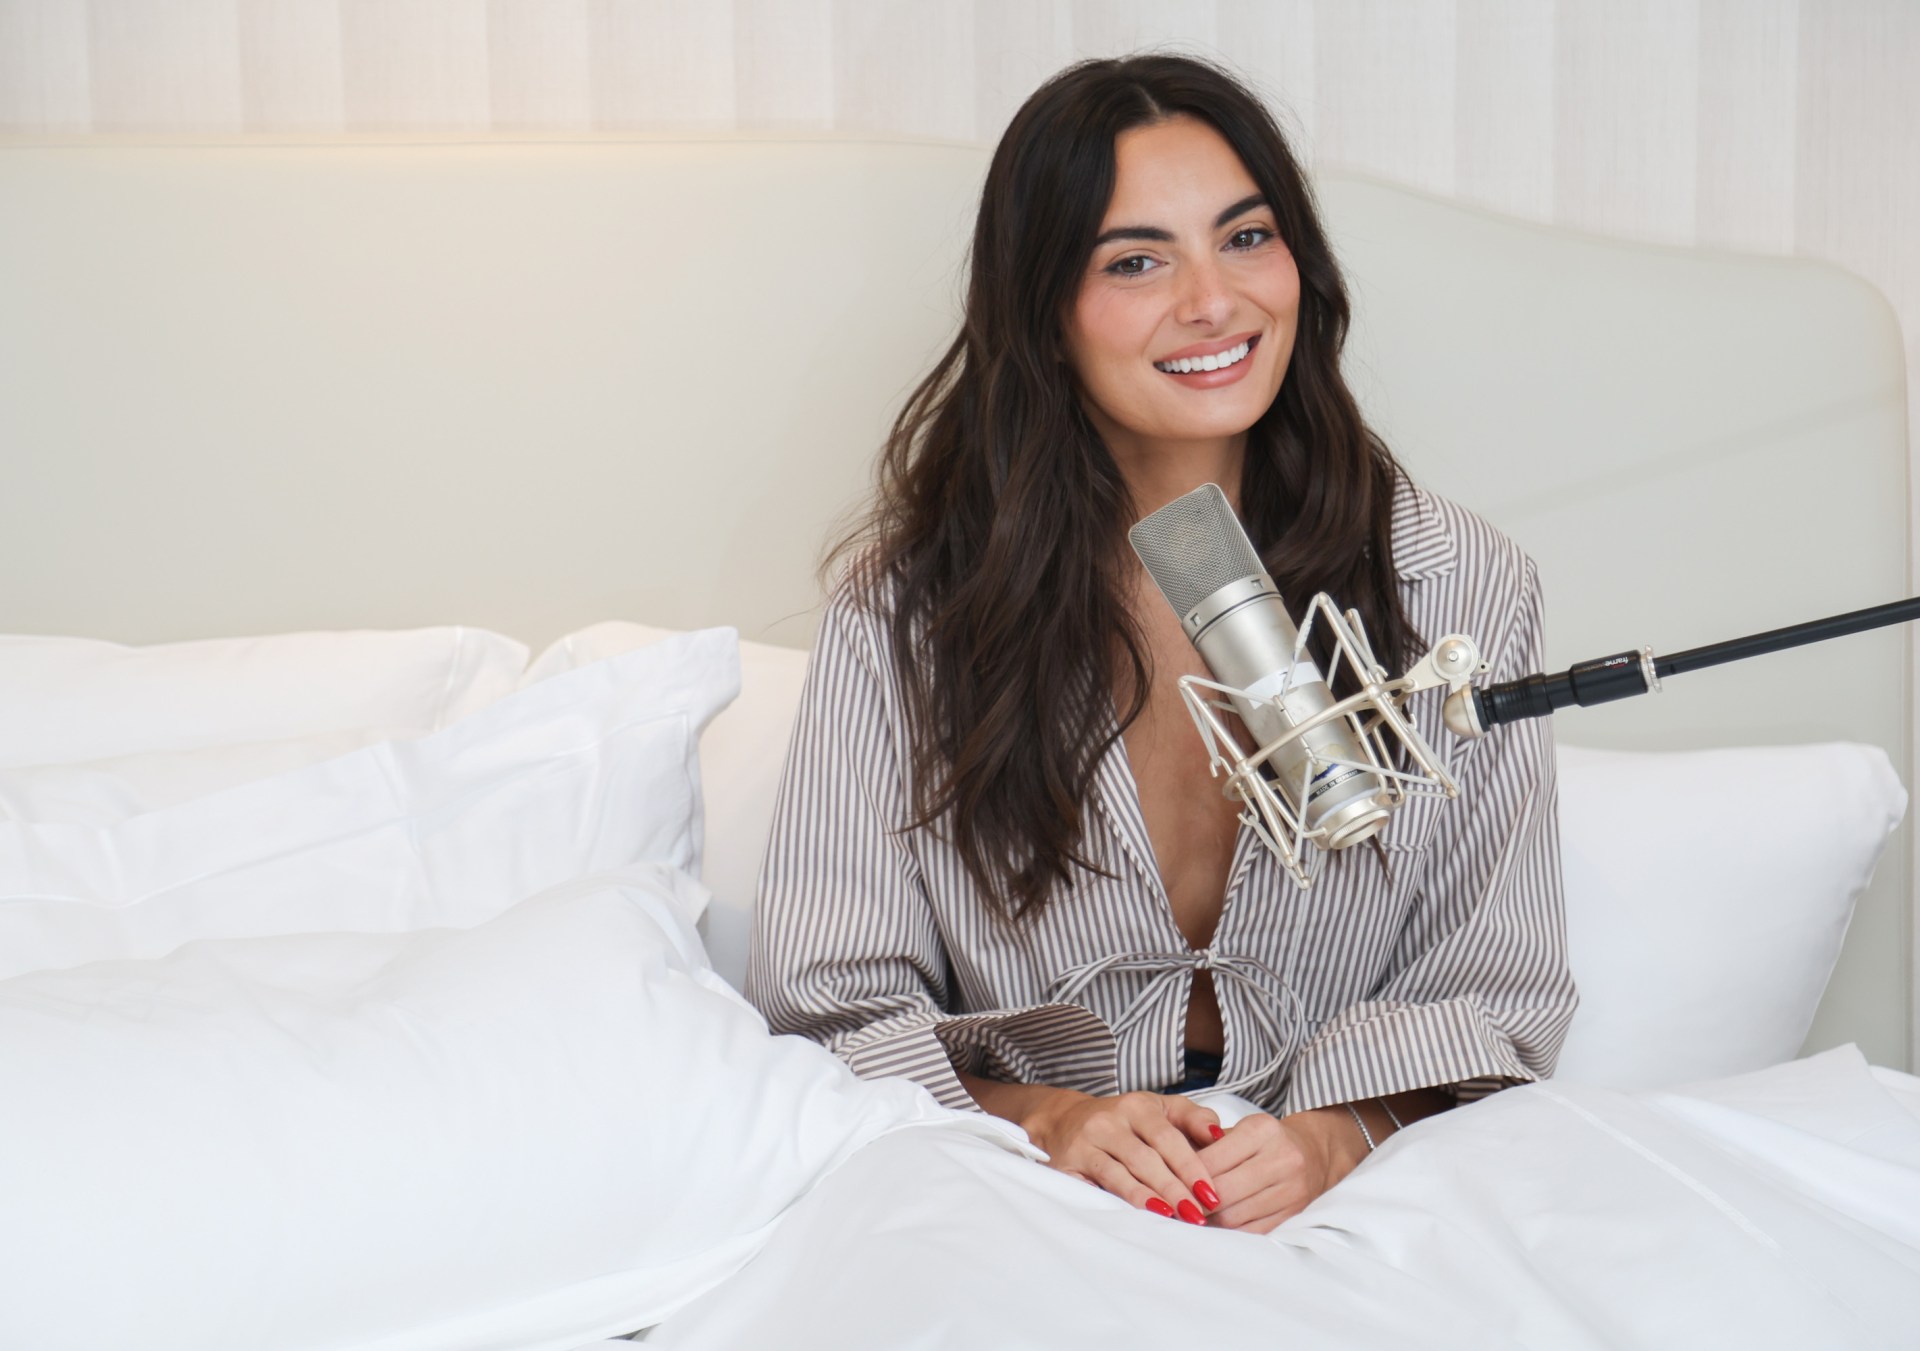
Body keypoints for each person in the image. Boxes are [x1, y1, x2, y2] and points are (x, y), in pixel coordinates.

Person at [746, 54, 1576, 1237]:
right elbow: (827, 1013)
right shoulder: (912, 617)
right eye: (1137, 260)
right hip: (1020, 1197)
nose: (1213, 301)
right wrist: (1048, 1120)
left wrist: (1336, 1138)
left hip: (1356, 1203)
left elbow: (1497, 984)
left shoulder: (1455, 586)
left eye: (1246, 238)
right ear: (1043, 311)